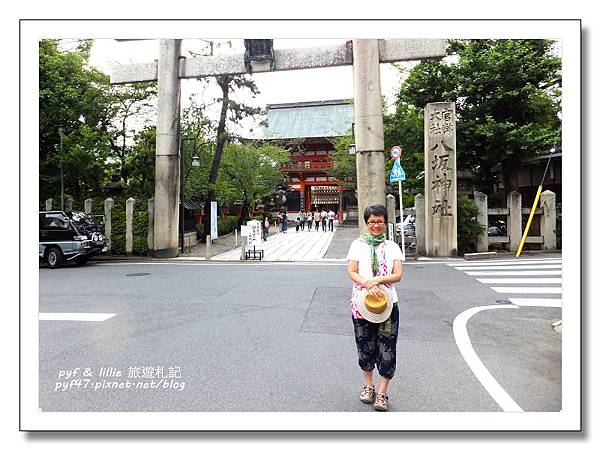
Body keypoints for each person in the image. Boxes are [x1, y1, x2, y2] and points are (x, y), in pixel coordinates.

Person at [346, 204, 404, 412]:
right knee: (365, 346)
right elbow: (352, 271)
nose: (376, 225)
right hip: (362, 304)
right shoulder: (357, 245)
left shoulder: (392, 247)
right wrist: (367, 283)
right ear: (366, 223)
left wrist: (378, 279)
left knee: (387, 349)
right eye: (372, 221)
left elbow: (398, 275)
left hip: (387, 306)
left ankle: (382, 392)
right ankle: (368, 386)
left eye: (379, 221)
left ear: (385, 222)